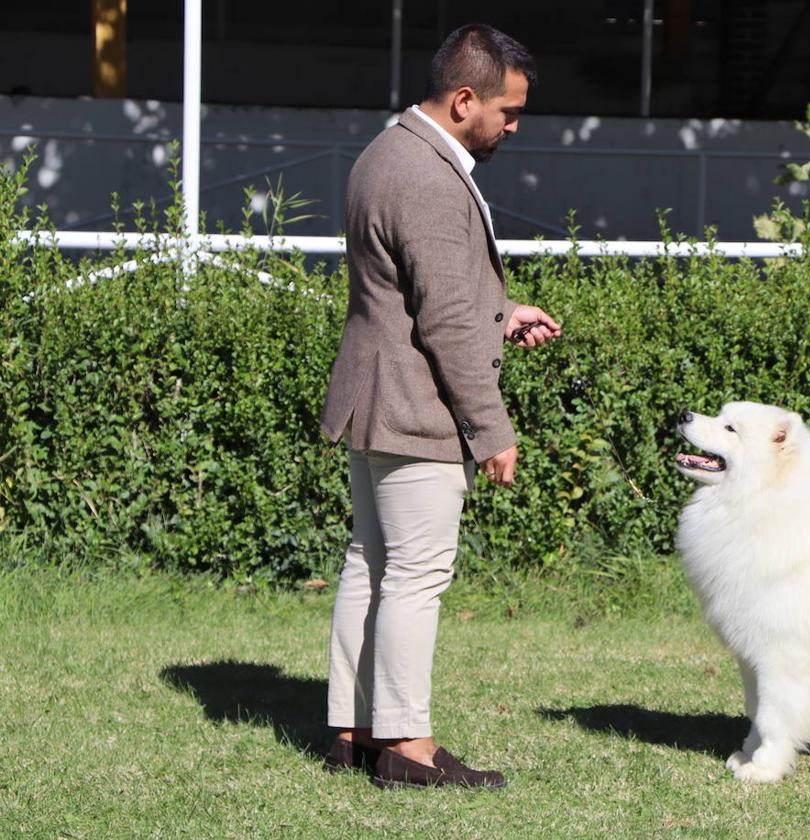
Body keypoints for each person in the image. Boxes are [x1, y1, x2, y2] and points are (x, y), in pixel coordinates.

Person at [318, 23, 560, 789]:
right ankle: (408, 748)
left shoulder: (385, 150)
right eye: (507, 111)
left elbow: (419, 292)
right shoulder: (426, 175)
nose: (513, 126)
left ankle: (353, 730)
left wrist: (503, 309)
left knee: (373, 564)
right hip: (414, 406)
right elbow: (445, 320)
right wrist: (492, 429)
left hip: (372, 392)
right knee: (416, 574)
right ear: (464, 100)